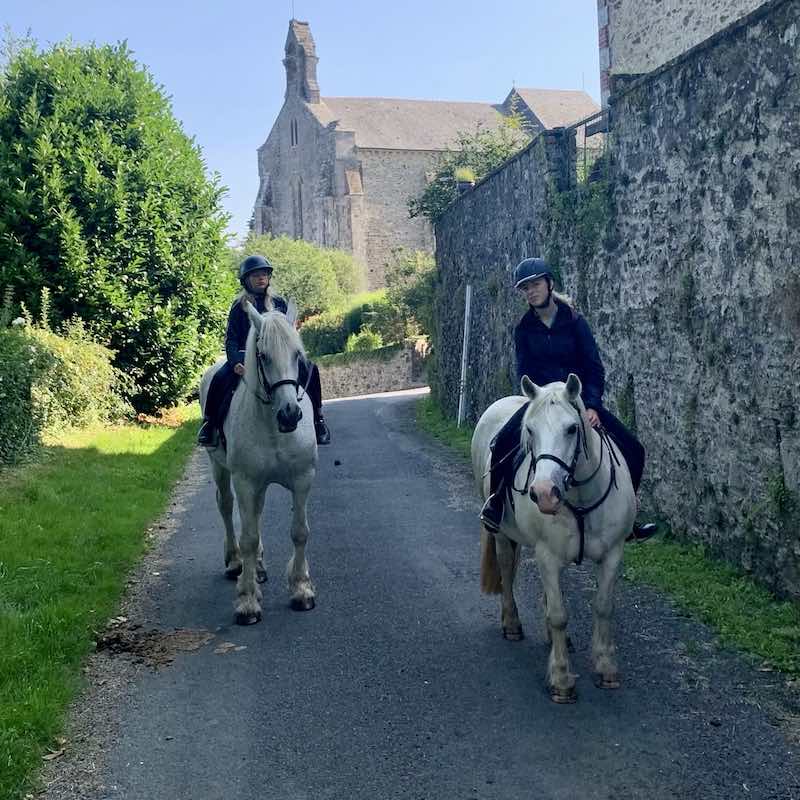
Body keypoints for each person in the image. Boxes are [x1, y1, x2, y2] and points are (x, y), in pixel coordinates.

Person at [479, 257, 656, 542]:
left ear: (549, 284)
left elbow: (593, 367)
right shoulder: (524, 329)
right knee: (502, 443)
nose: (531, 291)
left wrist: (593, 404)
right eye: (525, 288)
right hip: (539, 403)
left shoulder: (575, 322)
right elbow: (524, 371)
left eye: (535, 284)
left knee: (634, 450)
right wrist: (535, 399)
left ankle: (629, 521)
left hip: (577, 402)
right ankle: (496, 504)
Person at [198, 254, 331, 447]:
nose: (261, 278)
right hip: (246, 356)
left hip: (278, 355)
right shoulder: (238, 307)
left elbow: (289, 334)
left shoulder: (279, 303)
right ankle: (210, 424)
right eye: (255, 275)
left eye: (264, 274)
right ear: (246, 280)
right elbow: (231, 339)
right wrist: (235, 361)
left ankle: (318, 419)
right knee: (219, 378)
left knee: (311, 369)